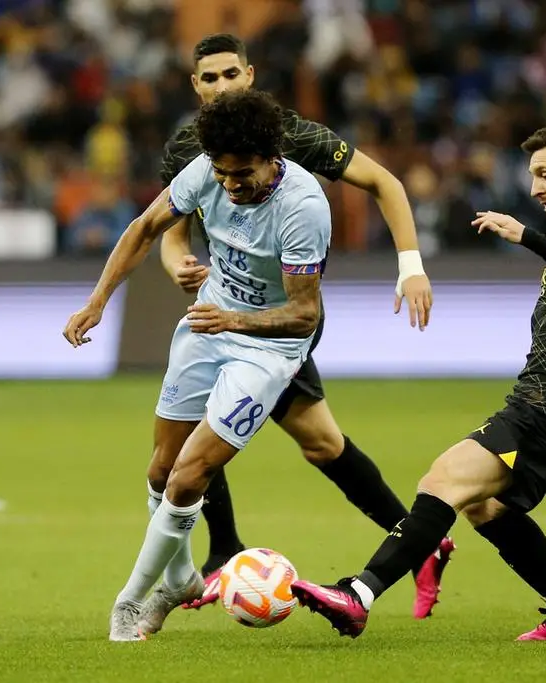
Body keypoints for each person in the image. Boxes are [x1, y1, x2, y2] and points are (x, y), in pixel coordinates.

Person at [289, 122, 546, 641]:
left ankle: (357, 595)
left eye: (544, 174)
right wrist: (526, 236)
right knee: (485, 506)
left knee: (443, 481)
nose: (534, 188)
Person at [159, 33, 451, 616]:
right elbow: (172, 234)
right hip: (224, 306)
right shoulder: (188, 148)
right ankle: (418, 541)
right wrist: (177, 264)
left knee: (224, 436)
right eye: (209, 77)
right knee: (319, 444)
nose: (221, 85)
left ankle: (226, 552)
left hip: (279, 318)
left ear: (250, 75)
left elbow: (385, 183)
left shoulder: (290, 135)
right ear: (195, 85)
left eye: (231, 74)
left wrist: (411, 266)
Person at [62, 90, 320, 640]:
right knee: (160, 471)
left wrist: (235, 320)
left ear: (271, 157)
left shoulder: (302, 207)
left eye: (242, 173)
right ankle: (181, 578)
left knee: (188, 476)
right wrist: (97, 301)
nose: (230, 184)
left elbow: (304, 315)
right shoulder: (205, 171)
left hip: (267, 350)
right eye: (222, 173)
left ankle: (131, 601)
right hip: (208, 325)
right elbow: (144, 228)